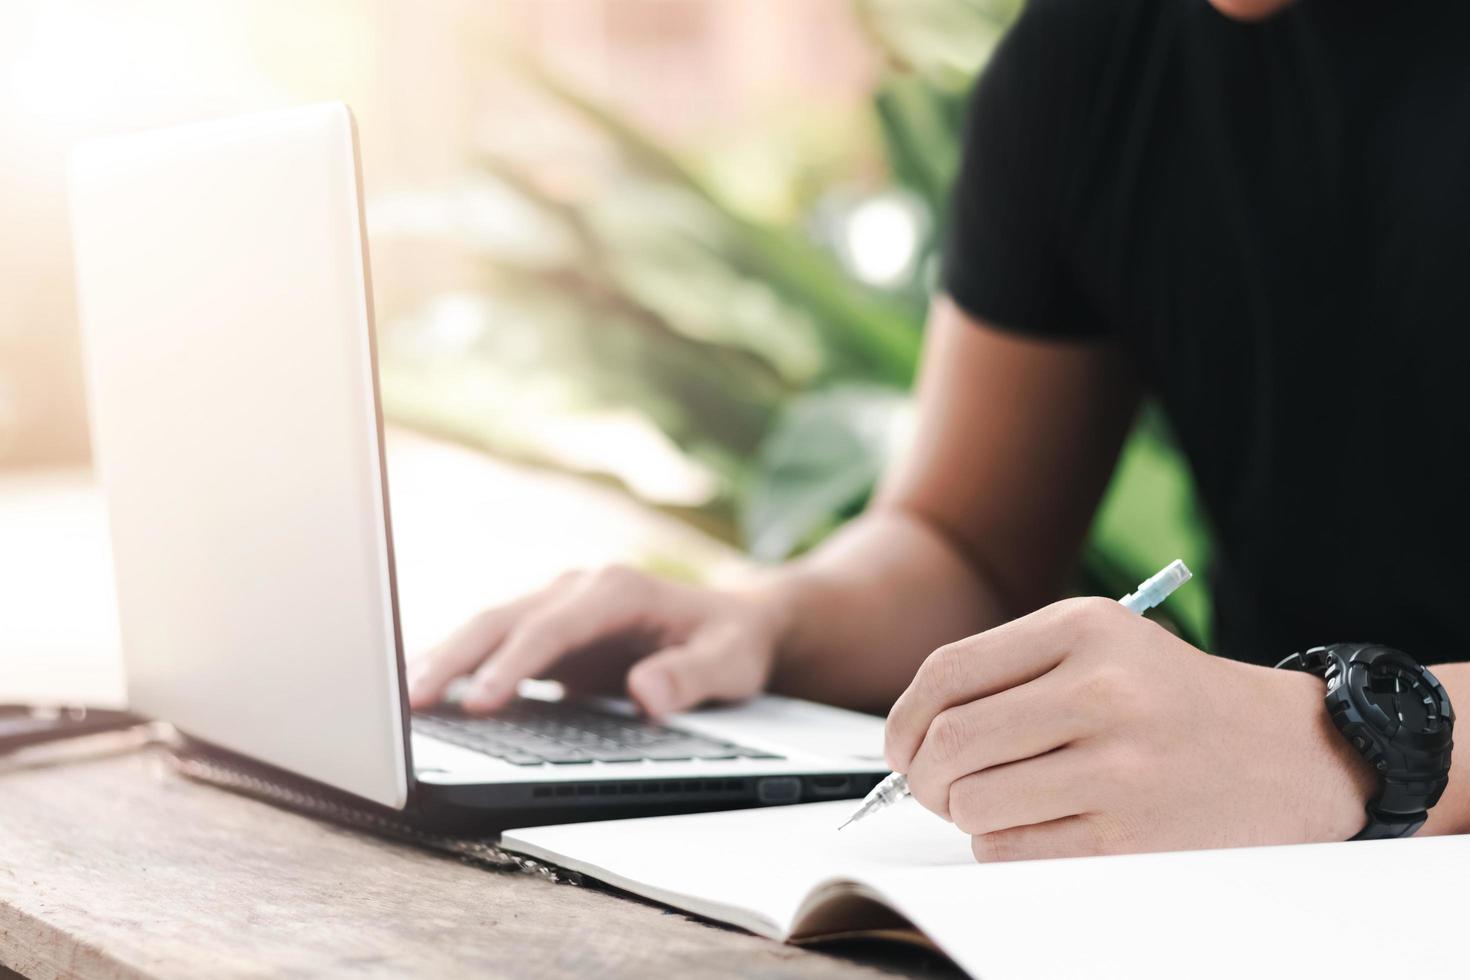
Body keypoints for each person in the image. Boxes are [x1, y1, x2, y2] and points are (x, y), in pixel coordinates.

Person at [410, 0, 1470, 860]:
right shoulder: (1089, 58)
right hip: (1281, 881)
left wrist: (1348, 742)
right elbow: (964, 539)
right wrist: (767, 618)